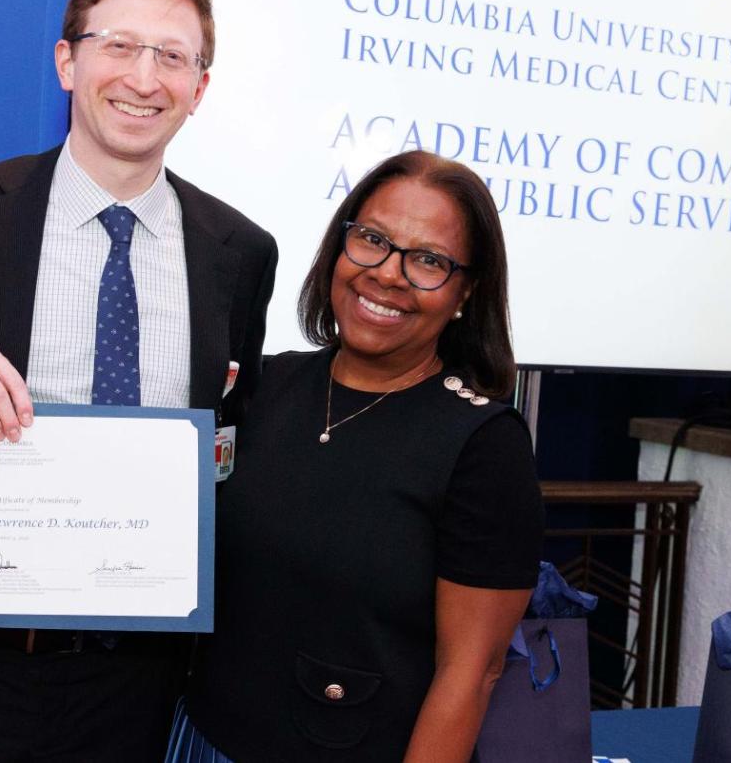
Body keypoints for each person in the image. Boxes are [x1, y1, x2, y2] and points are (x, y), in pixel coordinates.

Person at [0, 0, 278, 762]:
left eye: (173, 55)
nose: (144, 76)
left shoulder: (241, 251)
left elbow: (230, 439)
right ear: (68, 60)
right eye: (118, 45)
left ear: (199, 88)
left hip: (139, 678)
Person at [170, 150, 544, 762]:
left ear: (465, 293)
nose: (389, 274)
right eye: (373, 239)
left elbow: (472, 672)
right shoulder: (263, 389)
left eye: (428, 260)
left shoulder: (483, 444)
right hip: (200, 741)